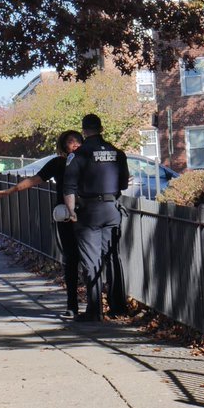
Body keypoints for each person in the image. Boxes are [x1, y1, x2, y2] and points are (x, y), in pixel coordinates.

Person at [0, 130, 84, 318]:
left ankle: (95, 304)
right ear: (63, 145)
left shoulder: (89, 161)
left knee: (90, 259)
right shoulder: (58, 163)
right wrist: (11, 190)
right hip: (66, 216)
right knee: (71, 259)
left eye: (77, 141)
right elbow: (35, 179)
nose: (74, 144)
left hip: (89, 216)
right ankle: (72, 304)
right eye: (70, 142)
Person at [63, 114, 129, 323]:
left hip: (89, 211)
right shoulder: (117, 153)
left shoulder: (78, 155)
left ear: (84, 131)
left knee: (92, 261)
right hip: (112, 209)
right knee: (112, 258)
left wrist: (72, 213)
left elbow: (69, 188)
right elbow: (124, 184)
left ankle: (95, 310)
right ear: (101, 128)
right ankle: (118, 307)